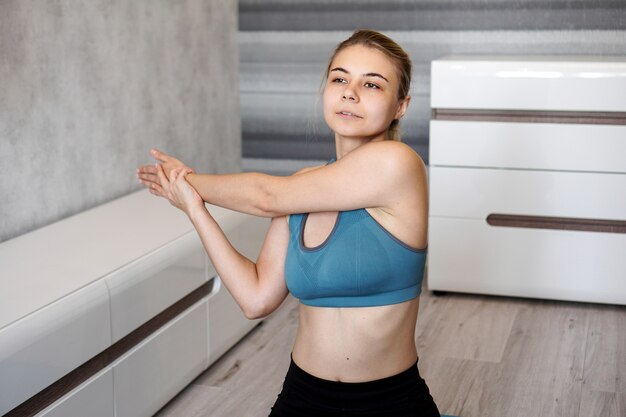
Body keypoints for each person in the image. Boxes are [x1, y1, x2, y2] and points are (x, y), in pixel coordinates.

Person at [137, 29, 440, 417]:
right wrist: (193, 206)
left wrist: (186, 179)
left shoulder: (398, 165)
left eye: (372, 84)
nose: (351, 92)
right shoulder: (302, 188)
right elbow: (256, 298)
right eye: (340, 78)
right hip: (303, 396)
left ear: (401, 105)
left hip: (389, 402)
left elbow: (266, 197)